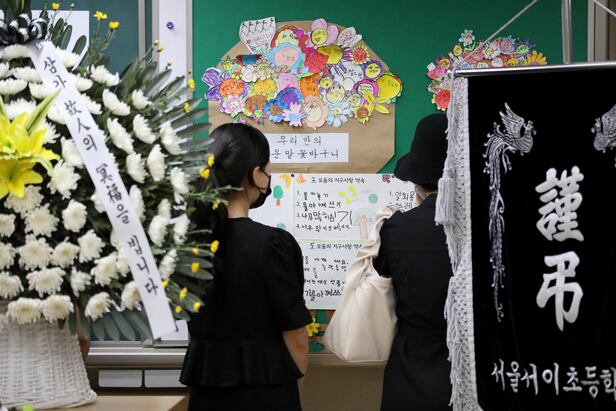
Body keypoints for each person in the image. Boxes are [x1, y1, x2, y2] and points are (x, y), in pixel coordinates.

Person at [180, 123, 312, 411]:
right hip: (267, 393)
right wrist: (296, 394)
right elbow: (297, 338)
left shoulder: (188, 246)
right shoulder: (272, 244)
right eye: (267, 169)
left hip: (206, 393)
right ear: (254, 174)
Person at [375, 113, 453, 411]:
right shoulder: (493, 227)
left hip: (410, 377)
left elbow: (382, 283)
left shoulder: (397, 228)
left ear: (417, 181)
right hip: (477, 377)